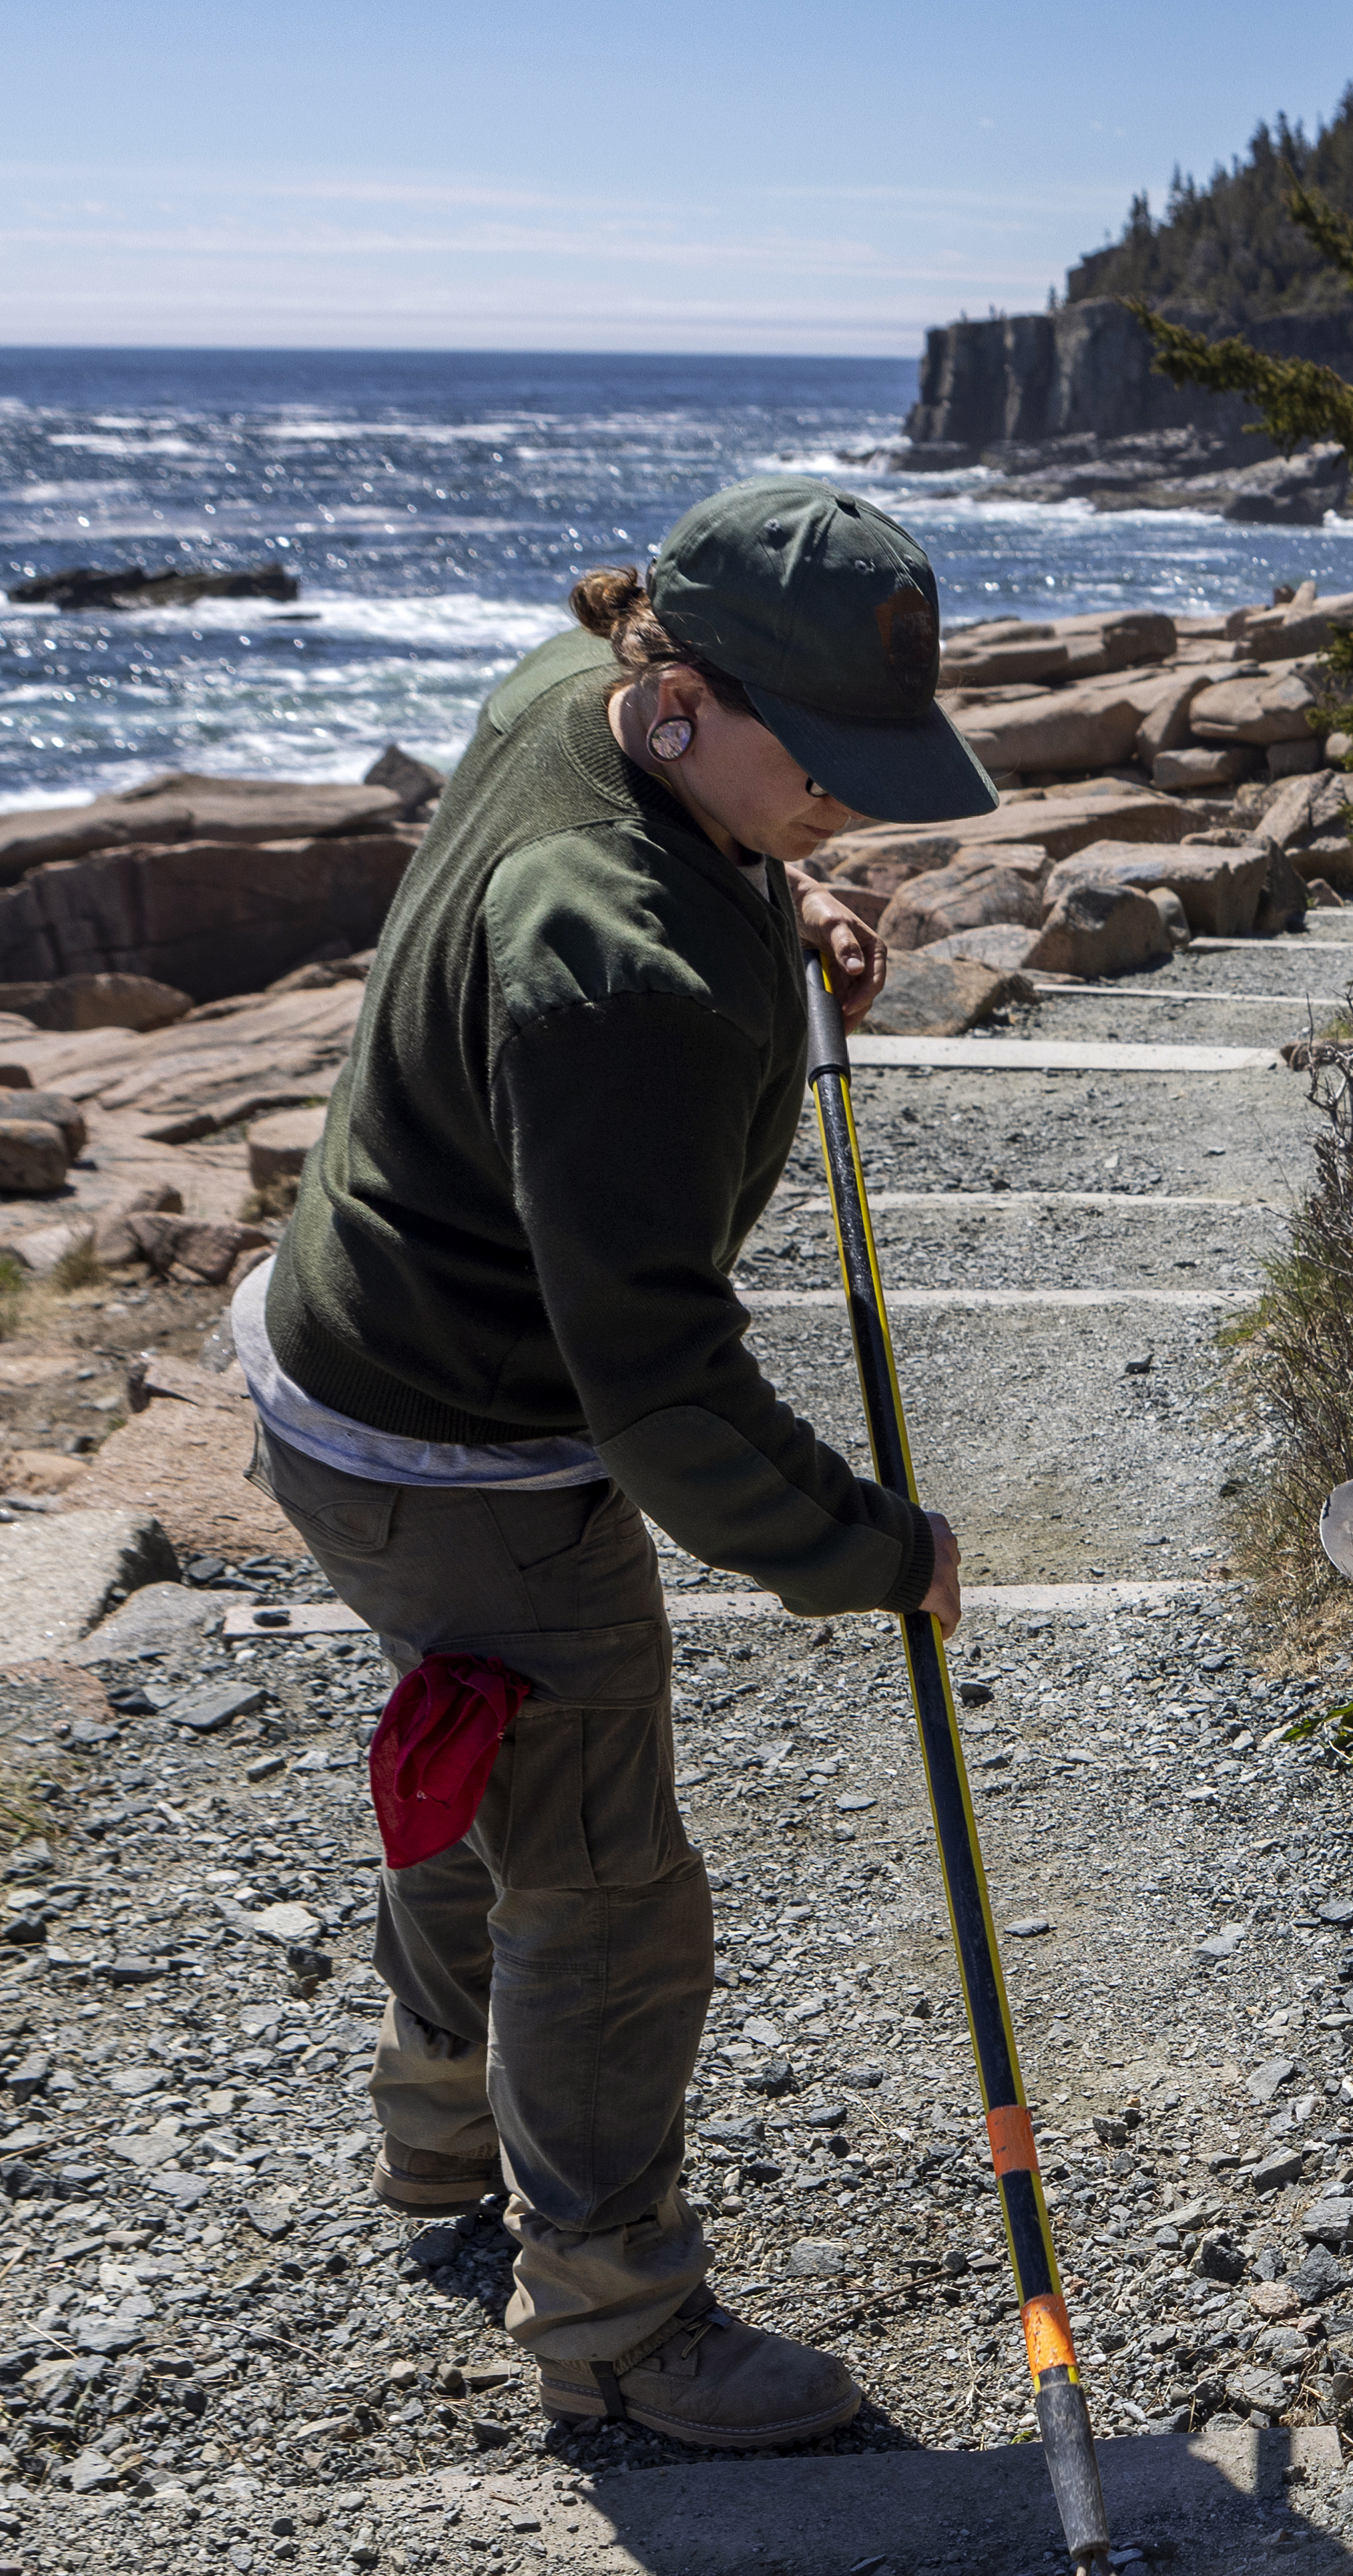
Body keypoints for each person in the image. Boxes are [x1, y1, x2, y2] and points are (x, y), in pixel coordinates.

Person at [228, 475, 992, 2450]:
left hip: (346, 1357)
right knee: (608, 1882)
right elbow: (655, 1390)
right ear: (686, 704)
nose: (858, 808)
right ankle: (616, 2329)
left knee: (495, 1754)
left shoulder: (574, 675)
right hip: (473, 1442)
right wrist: (863, 1543)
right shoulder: (621, 967)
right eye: (825, 776)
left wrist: (788, 883)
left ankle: (431, 2130)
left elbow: (665, 844)